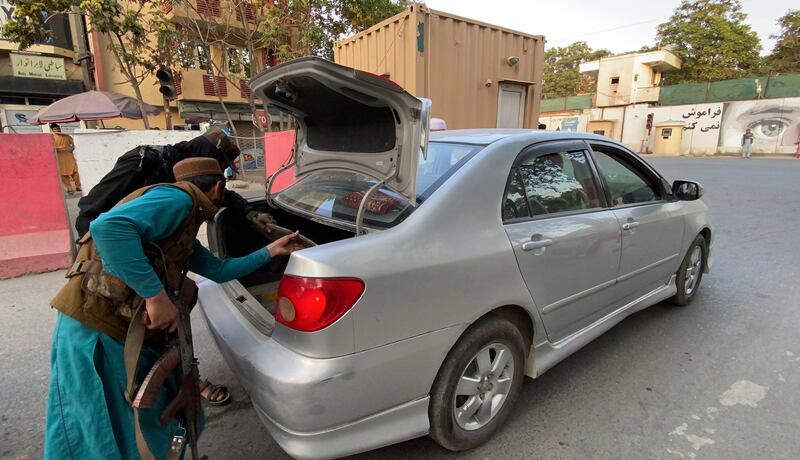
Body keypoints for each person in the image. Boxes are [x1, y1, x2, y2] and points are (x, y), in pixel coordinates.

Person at [45, 158, 305, 460]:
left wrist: (272, 250)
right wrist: (156, 297)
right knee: (98, 424)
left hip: (115, 327)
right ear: (218, 186)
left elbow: (218, 271)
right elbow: (107, 228)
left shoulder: (181, 222)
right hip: (94, 329)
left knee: (133, 417)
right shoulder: (179, 199)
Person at [74, 128, 273, 405]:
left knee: (181, 303)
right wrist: (151, 293)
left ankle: (185, 383)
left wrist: (267, 239)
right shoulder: (171, 190)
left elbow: (218, 269)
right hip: (104, 297)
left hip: (134, 285)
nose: (222, 188)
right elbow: (102, 224)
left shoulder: (187, 195)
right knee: (109, 404)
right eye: (222, 177)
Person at [74, 127, 271, 238]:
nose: (219, 171)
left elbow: (223, 194)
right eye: (219, 163)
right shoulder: (145, 161)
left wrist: (250, 213)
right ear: (207, 154)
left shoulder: (188, 174)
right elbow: (91, 208)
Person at [50, 123, 82, 194]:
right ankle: (69, 188)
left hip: (69, 156)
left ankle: (78, 186)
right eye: (55, 129)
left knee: (75, 172)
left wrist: (72, 148)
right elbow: (50, 147)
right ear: (52, 130)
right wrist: (57, 149)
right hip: (59, 157)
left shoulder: (66, 136)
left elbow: (74, 143)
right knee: (63, 174)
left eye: (58, 128)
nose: (57, 130)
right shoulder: (51, 138)